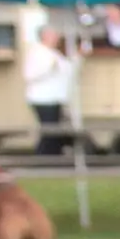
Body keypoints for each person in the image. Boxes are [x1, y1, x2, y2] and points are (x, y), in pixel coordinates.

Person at [22, 27, 75, 156]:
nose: (57, 38)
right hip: (42, 99)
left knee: (55, 130)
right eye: (53, 35)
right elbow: (29, 75)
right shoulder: (36, 52)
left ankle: (53, 156)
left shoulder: (54, 53)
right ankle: (43, 157)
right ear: (45, 36)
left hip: (55, 98)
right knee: (50, 131)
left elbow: (67, 69)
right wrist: (48, 67)